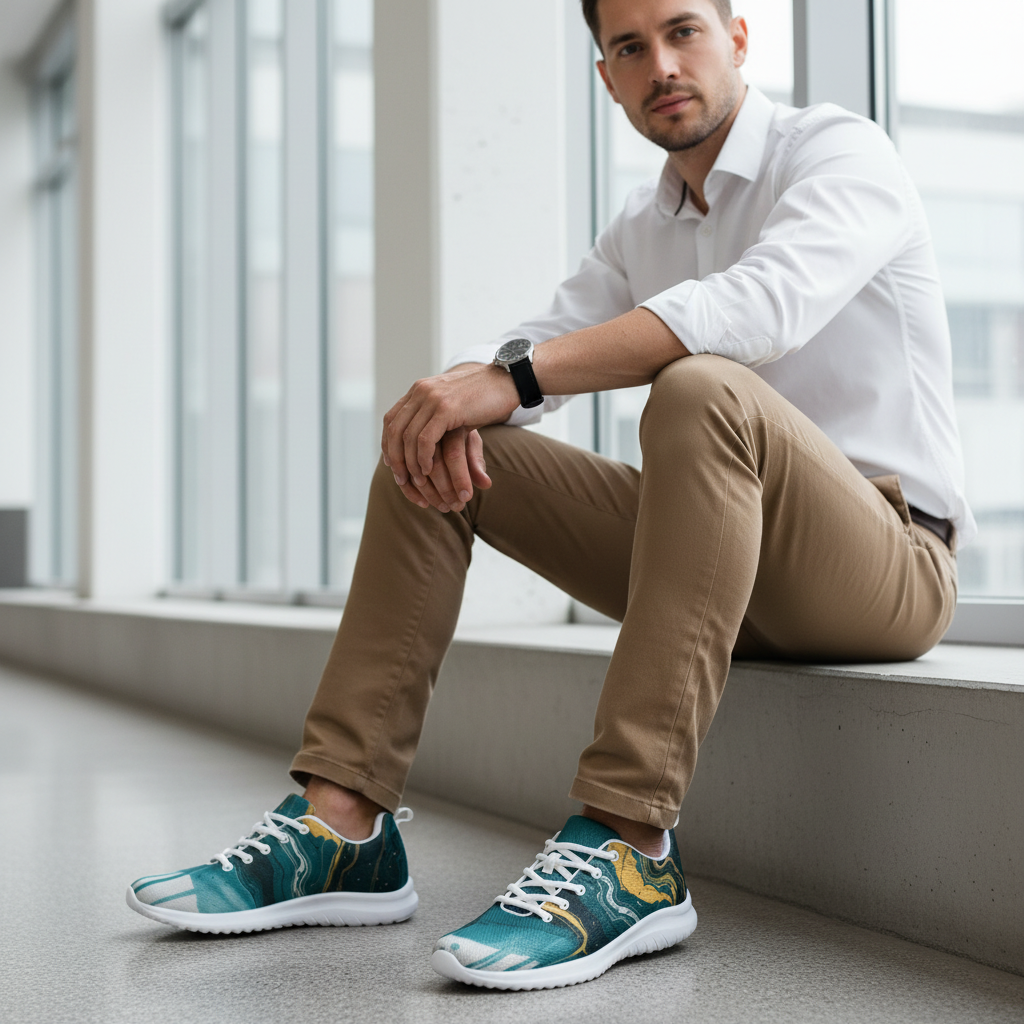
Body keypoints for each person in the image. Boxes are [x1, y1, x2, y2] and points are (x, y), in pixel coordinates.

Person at [126, 0, 972, 990]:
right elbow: (539, 345)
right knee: (439, 442)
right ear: (606, 76)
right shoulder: (641, 227)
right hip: (720, 570)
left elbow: (757, 309)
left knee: (701, 382)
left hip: (886, 564)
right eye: (628, 47)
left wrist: (516, 375)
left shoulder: (835, 151)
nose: (660, 62)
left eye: (683, 30)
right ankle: (341, 823)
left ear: (738, 38)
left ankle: (626, 845)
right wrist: (465, 386)